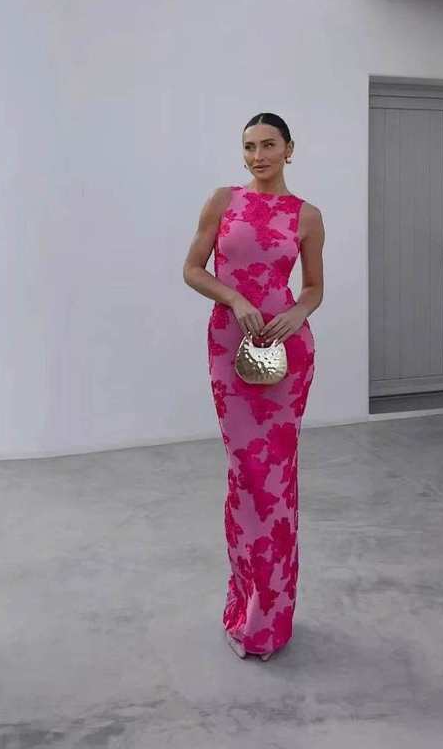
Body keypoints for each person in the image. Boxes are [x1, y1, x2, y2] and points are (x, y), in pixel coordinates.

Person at [183, 113, 324, 661]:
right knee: (246, 474)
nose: (258, 155)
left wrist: (297, 312)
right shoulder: (224, 201)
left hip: (287, 351)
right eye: (249, 146)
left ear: (289, 149)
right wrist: (235, 299)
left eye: (268, 145)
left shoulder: (306, 215)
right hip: (230, 345)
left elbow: (313, 287)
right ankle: (245, 605)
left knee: (276, 478)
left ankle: (270, 619)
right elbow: (193, 269)